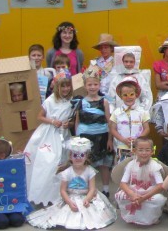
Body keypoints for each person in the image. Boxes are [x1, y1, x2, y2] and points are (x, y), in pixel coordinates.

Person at [26, 137, 117, 229]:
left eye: (81, 155)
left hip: (87, 195)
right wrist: (69, 202)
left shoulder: (90, 171)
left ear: (86, 157)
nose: (78, 158)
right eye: (75, 155)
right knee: (67, 213)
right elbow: (63, 191)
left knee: (91, 214)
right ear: (70, 156)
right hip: (71, 197)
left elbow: (92, 188)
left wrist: (87, 199)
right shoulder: (67, 172)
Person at [24, 69, 74, 206]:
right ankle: (43, 193)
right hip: (49, 134)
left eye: (67, 85)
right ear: (57, 87)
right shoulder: (50, 100)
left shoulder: (71, 101)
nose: (65, 88)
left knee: (62, 163)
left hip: (63, 134)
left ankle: (59, 193)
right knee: (47, 163)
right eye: (62, 86)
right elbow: (39, 116)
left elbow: (73, 120)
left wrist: (68, 124)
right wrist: (53, 121)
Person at [75, 65, 113, 198]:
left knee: (104, 164)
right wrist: (77, 139)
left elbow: (109, 121)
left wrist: (110, 139)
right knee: (86, 164)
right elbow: (77, 121)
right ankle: (87, 189)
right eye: (89, 84)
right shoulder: (80, 102)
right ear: (85, 86)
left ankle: (106, 189)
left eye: (95, 84)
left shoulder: (104, 102)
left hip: (102, 136)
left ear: (99, 85)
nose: (92, 87)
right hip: (85, 137)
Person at [114, 137, 167, 226]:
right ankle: (133, 217)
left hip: (149, 193)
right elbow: (123, 183)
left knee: (158, 199)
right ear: (135, 151)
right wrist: (132, 194)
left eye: (147, 150)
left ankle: (152, 218)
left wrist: (144, 197)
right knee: (120, 195)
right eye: (141, 150)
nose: (144, 153)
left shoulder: (154, 166)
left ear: (152, 151)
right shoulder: (131, 164)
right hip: (134, 193)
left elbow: (160, 185)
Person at [109, 76, 150, 162]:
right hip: (121, 146)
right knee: (122, 168)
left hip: (138, 147)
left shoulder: (142, 112)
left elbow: (147, 129)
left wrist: (138, 139)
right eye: (125, 95)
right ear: (120, 96)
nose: (129, 97)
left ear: (136, 95)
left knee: (138, 167)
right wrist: (123, 139)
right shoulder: (116, 112)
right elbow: (113, 129)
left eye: (131, 94)